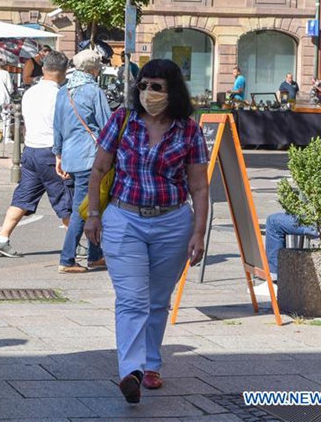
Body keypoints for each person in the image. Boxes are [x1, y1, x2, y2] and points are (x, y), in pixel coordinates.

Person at [84, 58, 209, 404]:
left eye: (157, 87)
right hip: (124, 219)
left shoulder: (188, 130)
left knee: (157, 299)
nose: (148, 93)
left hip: (172, 222)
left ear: (173, 91)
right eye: (143, 85)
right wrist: (93, 215)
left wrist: (199, 232)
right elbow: (98, 170)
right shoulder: (122, 120)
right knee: (132, 298)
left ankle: (151, 364)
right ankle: (131, 370)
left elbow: (199, 187)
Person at [0, 51, 71, 258]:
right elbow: (64, 127)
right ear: (64, 71)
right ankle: (75, 245)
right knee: (64, 198)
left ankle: (2, 238)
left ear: (43, 69)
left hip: (31, 150)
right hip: (51, 152)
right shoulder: (60, 95)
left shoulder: (30, 93)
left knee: (23, 197)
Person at [53, 49, 111, 273]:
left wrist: (58, 154)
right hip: (90, 156)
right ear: (94, 70)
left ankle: (95, 255)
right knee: (83, 208)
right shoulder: (94, 91)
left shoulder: (63, 91)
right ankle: (67, 259)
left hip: (70, 155)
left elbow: (57, 126)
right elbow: (107, 126)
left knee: (90, 204)